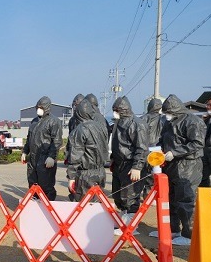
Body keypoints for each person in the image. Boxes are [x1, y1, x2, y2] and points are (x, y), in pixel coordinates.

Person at [158, 94, 206, 245]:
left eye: (168, 112)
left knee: (185, 200)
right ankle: (173, 230)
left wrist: (175, 152)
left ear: (176, 110)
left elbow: (197, 143)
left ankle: (188, 235)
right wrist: (158, 150)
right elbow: (163, 139)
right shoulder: (169, 122)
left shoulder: (192, 121)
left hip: (188, 166)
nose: (167, 115)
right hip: (172, 165)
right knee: (171, 199)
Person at [110, 96, 148, 234]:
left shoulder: (137, 124)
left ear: (124, 110)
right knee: (120, 194)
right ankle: (124, 219)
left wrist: (137, 166)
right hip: (120, 164)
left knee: (131, 194)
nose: (115, 112)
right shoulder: (118, 123)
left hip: (131, 164)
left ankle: (131, 226)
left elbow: (142, 147)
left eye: (117, 110)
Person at [66, 99, 109, 201]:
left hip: (85, 175)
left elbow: (75, 156)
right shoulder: (101, 127)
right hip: (100, 172)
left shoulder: (79, 130)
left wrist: (71, 177)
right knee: (97, 203)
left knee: (82, 205)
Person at [21, 96, 63, 201]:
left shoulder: (54, 121)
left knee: (46, 184)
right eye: (38, 107)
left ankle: (48, 206)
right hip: (33, 158)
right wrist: (25, 152)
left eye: (41, 107)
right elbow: (29, 138)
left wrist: (51, 156)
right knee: (33, 183)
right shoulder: (34, 121)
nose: (39, 110)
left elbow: (56, 141)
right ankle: (35, 206)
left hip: (45, 159)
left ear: (47, 108)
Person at [141, 98, 164, 199]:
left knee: (146, 172)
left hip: (146, 148)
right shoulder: (163, 119)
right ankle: (158, 194)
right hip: (159, 149)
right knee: (158, 172)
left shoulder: (144, 118)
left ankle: (148, 194)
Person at [199, 98, 211, 188]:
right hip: (206, 149)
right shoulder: (208, 119)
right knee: (203, 175)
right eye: (207, 105)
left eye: (210, 105)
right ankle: (206, 196)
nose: (208, 107)